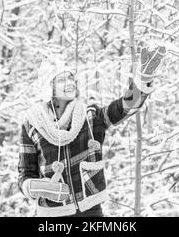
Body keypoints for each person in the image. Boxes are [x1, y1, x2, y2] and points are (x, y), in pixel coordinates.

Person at [18, 46, 165, 217]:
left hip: (91, 211)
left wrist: (143, 78)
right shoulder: (32, 125)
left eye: (71, 78)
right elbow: (25, 174)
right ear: (48, 87)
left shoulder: (90, 117)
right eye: (61, 80)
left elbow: (125, 107)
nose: (69, 83)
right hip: (51, 214)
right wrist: (33, 186)